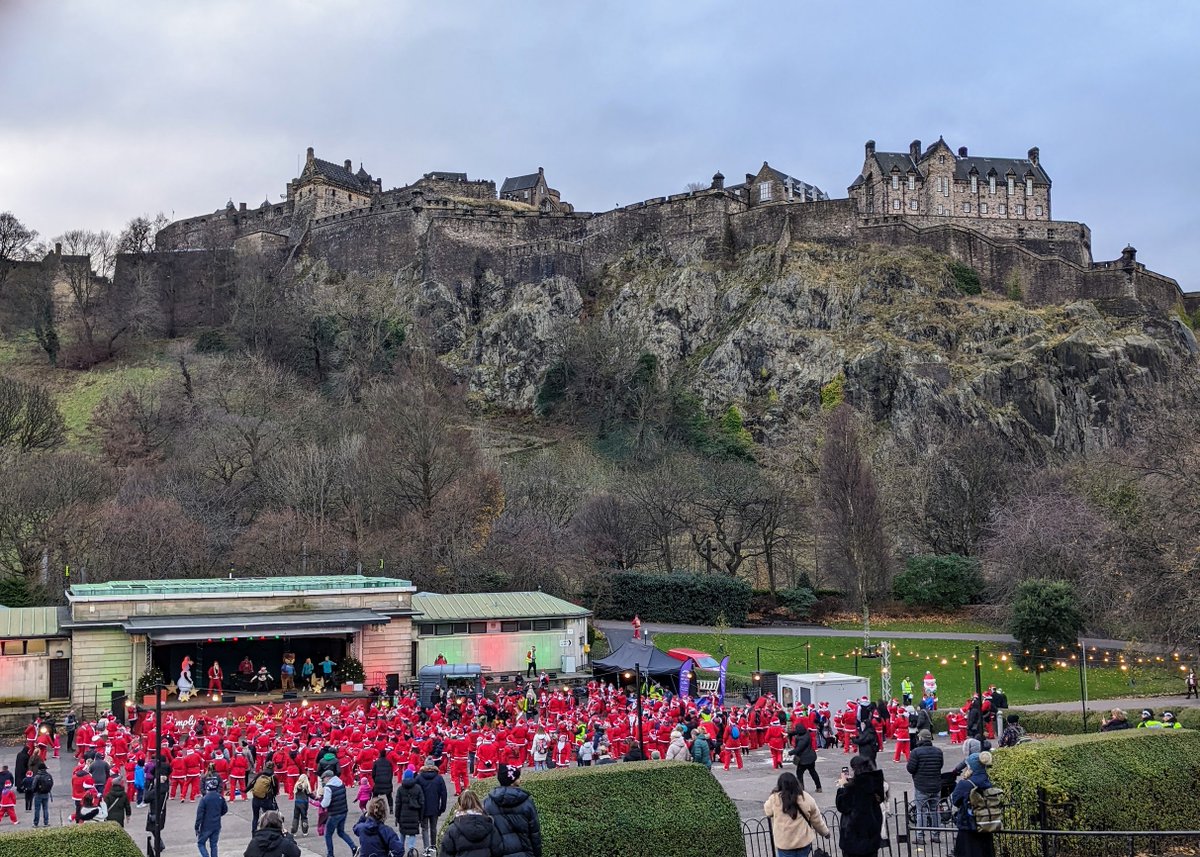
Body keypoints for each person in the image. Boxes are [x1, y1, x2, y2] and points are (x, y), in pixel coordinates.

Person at [763, 771, 830, 857]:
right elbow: (816, 819)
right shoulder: (805, 797)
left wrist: (774, 793)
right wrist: (825, 832)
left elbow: (768, 811)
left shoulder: (775, 798)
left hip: (785, 843)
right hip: (803, 841)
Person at [484, 765, 542, 857]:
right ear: (511, 782)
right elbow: (535, 833)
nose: (520, 780)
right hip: (525, 852)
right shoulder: (526, 802)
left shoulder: (488, 803)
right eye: (518, 778)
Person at [835, 755, 886, 857]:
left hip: (854, 837)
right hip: (872, 835)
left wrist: (843, 786)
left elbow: (842, 805)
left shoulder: (853, 788)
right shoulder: (875, 782)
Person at [950, 752, 998, 857]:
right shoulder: (988, 782)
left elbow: (955, 800)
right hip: (986, 825)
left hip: (968, 827)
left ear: (971, 767)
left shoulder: (965, 784)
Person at [907, 729, 944, 845]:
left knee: (921, 811)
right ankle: (936, 835)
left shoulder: (916, 752)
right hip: (936, 785)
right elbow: (940, 765)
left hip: (921, 785)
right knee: (935, 810)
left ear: (920, 738)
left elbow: (910, 768)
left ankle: (920, 836)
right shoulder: (938, 751)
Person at [439, 790, 503, 857]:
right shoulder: (489, 825)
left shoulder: (453, 829)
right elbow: (498, 850)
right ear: (477, 802)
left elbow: (446, 853)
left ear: (460, 804)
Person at [320, 769, 357, 857]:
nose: (323, 781)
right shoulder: (341, 783)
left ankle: (330, 854)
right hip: (343, 811)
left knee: (328, 834)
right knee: (341, 832)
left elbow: (325, 804)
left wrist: (321, 801)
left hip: (334, 813)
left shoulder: (328, 787)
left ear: (328, 778)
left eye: (324, 779)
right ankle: (354, 847)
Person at [416, 757, 448, 852]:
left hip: (423, 807)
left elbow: (415, 793)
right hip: (435, 807)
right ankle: (433, 845)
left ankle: (426, 847)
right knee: (433, 828)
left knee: (424, 828)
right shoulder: (439, 778)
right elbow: (444, 794)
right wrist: (442, 808)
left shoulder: (419, 778)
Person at [393, 769, 424, 854]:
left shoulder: (400, 789)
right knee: (412, 833)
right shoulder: (418, 788)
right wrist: (421, 817)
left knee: (402, 833)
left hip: (403, 815)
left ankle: (400, 849)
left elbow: (398, 804)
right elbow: (422, 803)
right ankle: (411, 849)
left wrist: (397, 816)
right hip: (414, 815)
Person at [195, 777, 228, 857]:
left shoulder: (204, 799)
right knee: (214, 844)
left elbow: (199, 814)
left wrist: (196, 827)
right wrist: (218, 815)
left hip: (206, 825)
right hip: (216, 824)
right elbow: (225, 810)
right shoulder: (220, 797)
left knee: (201, 843)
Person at [791, 722, 821, 793]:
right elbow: (796, 732)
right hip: (811, 757)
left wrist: (790, 752)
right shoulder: (807, 733)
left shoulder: (802, 739)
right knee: (813, 772)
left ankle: (801, 788)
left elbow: (798, 748)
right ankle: (819, 787)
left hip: (803, 759)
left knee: (799, 774)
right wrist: (789, 733)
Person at [250, 762, 279, 833]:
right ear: (273, 767)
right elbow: (275, 788)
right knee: (269, 816)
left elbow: (252, 783)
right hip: (266, 799)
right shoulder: (273, 776)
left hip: (256, 798)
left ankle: (254, 832)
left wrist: (245, 790)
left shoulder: (260, 774)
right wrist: (274, 794)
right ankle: (268, 832)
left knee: (255, 817)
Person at [290, 772, 311, 837]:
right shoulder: (306, 786)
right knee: (304, 817)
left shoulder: (297, 785)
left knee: (296, 817)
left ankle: (293, 831)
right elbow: (310, 794)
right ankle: (305, 831)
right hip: (304, 803)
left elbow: (296, 791)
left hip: (297, 802)